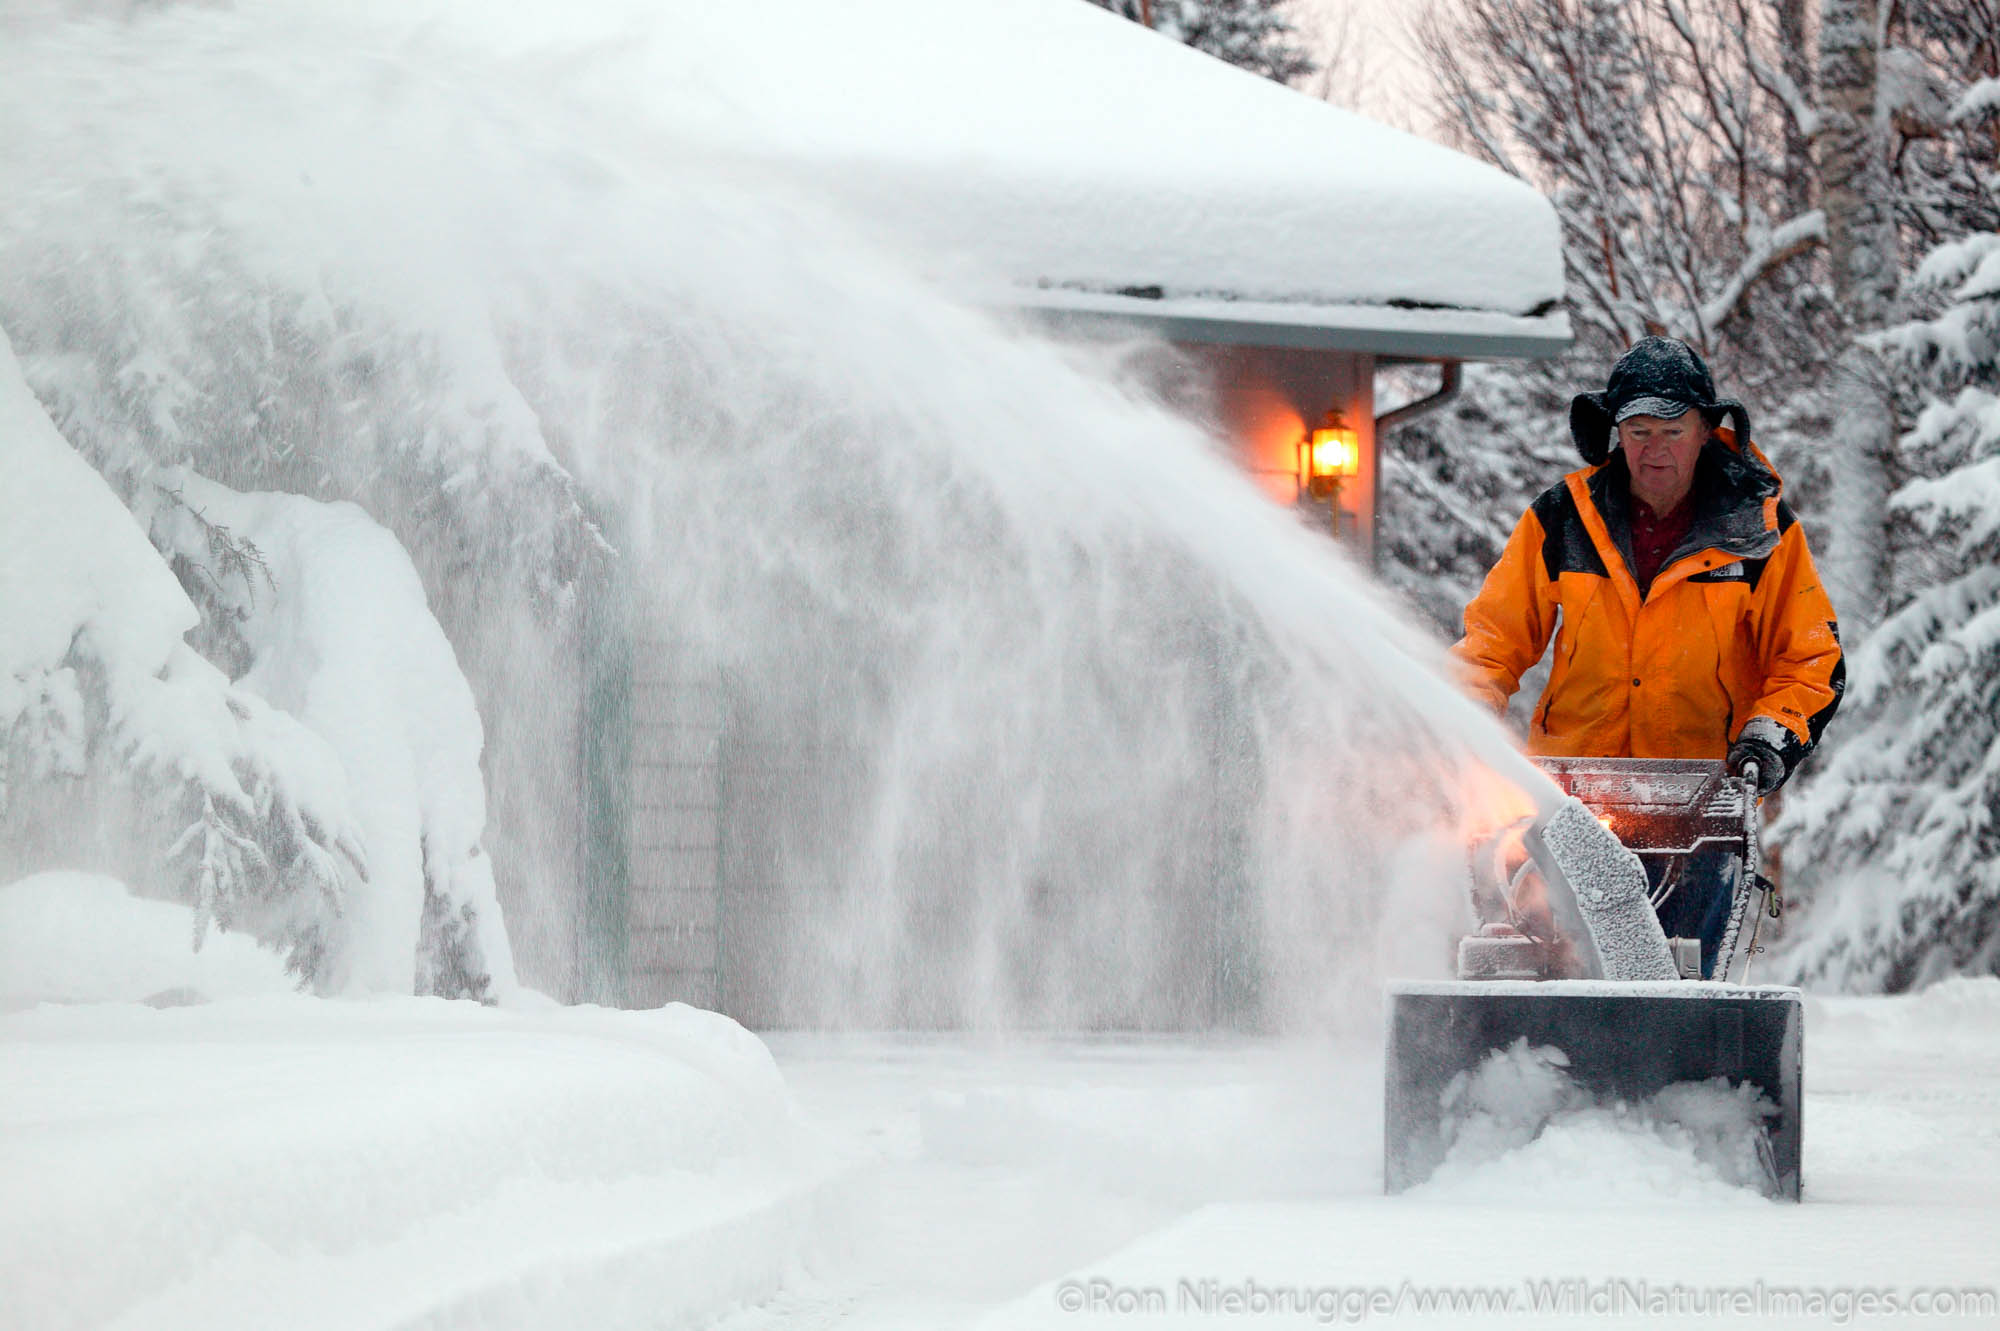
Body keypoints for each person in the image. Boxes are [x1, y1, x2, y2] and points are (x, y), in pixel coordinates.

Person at [1452, 337, 1844, 975]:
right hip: (1571, 802)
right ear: (1613, 432)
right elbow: (1492, 638)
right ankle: (1546, 1073)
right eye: (1637, 431)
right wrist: (1469, 709)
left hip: (1701, 806)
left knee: (1681, 979)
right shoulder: (1563, 519)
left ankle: (1684, 1074)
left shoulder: (1759, 531)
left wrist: (1769, 739)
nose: (1653, 450)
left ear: (1706, 431)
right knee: (1556, 974)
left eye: (1672, 430)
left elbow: (1811, 659)